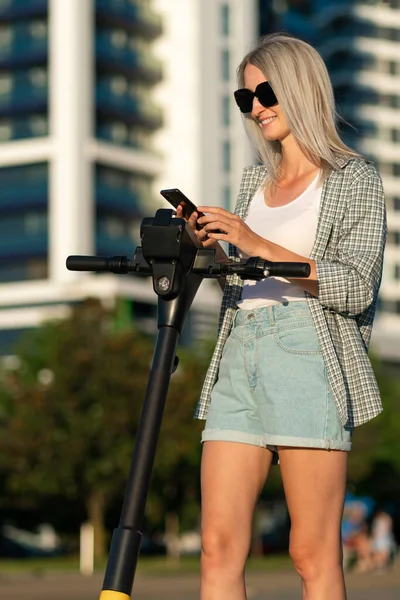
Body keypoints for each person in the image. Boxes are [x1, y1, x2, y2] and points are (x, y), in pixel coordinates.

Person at [178, 33, 386, 600]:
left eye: (266, 91)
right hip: (239, 354)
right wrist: (214, 249)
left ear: (300, 85)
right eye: (246, 99)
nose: (258, 107)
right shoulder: (253, 184)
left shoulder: (354, 178)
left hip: (309, 355)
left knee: (310, 554)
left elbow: (354, 285)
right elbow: (245, 277)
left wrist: (255, 241)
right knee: (218, 547)